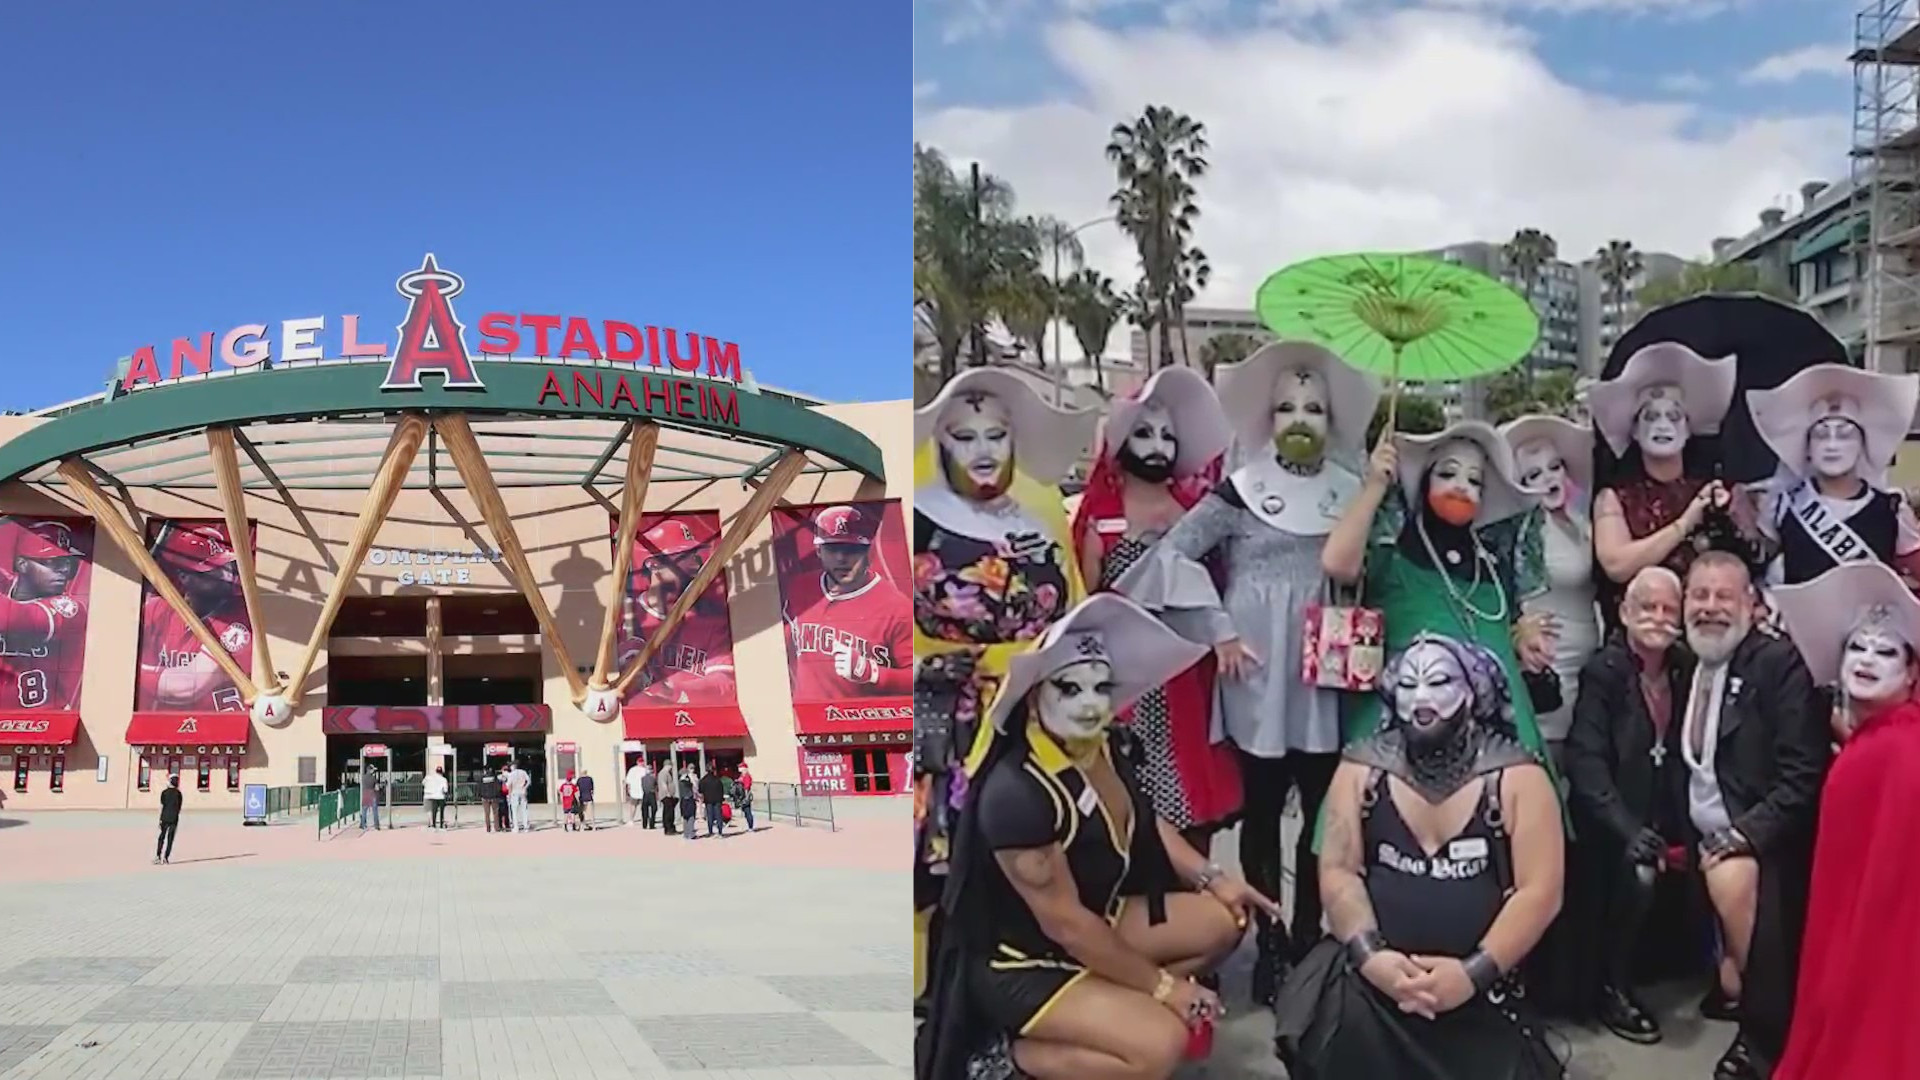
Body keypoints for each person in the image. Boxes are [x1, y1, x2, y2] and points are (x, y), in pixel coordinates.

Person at [1112, 345, 1376, 1001]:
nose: (1300, 417)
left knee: (1326, 812)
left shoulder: (1353, 487)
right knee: (1261, 815)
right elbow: (1173, 554)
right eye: (1287, 406)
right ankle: (1272, 945)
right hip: (1257, 669)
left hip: (1325, 666)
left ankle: (1316, 937)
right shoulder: (1242, 486)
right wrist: (1218, 629)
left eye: (1314, 408)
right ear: (1267, 416)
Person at [916, 594, 1270, 1080]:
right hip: (1022, 960)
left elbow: (1140, 817)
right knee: (1161, 1044)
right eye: (1070, 688)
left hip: (1097, 919)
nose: (1090, 704)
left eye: (1102, 688)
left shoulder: (1095, 745)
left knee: (1223, 919)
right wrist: (1164, 988)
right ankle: (1004, 1058)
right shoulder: (1017, 793)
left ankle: (1110, 1008)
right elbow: (1065, 925)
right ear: (1035, 693)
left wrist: (1211, 876)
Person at [1276, 633, 1564, 1079]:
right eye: (1408, 685)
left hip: (1483, 993)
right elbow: (1338, 870)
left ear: (1472, 692)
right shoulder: (1361, 769)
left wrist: (1472, 974)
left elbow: (1540, 892)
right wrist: (1371, 958)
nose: (1421, 698)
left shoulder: (1518, 778)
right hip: (1371, 988)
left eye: (1439, 682)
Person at [914, 369, 1095, 1004]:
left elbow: (1072, 608)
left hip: (1033, 718)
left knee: (1034, 866)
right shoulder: (909, 514)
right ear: (940, 440)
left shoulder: (1043, 506)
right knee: (942, 873)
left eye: (997, 434)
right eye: (966, 437)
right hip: (947, 729)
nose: (985, 450)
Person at [1072, 366, 1242, 847]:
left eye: (1168, 435)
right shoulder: (1101, 520)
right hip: (1127, 678)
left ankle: (1196, 892)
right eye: (1144, 433)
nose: (1157, 445)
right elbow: (1084, 603)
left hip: (1191, 675)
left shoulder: (1195, 512)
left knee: (1192, 795)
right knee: (1131, 789)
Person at [1676, 552, 1830, 1079]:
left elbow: (1803, 776)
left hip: (1766, 839)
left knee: (1729, 871)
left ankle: (1767, 1039)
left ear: (1752, 604)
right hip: (1695, 834)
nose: (1711, 608)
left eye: (1725, 596)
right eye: (1700, 595)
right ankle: (1738, 983)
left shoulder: (1777, 663)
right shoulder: (1685, 665)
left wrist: (1743, 835)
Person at [1322, 421, 1555, 758]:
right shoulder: (1393, 545)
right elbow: (1337, 564)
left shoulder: (1492, 561)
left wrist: (1525, 640)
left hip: (1495, 734)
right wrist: (1375, 485)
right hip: (1404, 724)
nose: (1461, 486)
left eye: (1474, 481)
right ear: (1425, 479)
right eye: (1448, 473)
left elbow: (1510, 627)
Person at [1771, 562, 1920, 1079]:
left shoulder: (1898, 749)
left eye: (1886, 652)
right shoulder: (1877, 740)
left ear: (1912, 673)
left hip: (1880, 946)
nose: (1867, 660)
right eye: (1858, 646)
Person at [1564, 566, 1693, 1044]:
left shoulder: (1684, 667)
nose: (1658, 619)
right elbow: (1586, 760)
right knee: (1639, 871)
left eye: (1668, 610)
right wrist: (1627, 828)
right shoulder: (1606, 671)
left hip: (1663, 811)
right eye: (1647, 608)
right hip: (1608, 820)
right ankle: (1610, 988)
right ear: (1624, 611)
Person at [1590, 343, 1764, 631]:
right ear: (1634, 430)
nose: (1662, 426)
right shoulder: (1613, 498)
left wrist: (1732, 517)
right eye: (1651, 416)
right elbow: (1616, 565)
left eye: (1673, 417)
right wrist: (1685, 523)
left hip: (1710, 632)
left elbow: (1753, 559)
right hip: (1645, 634)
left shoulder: (1716, 491)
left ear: (1688, 428)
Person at [1748, 363, 1920, 585]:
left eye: (1844, 435)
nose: (1832, 446)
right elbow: (1761, 570)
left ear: (1862, 444)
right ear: (1807, 447)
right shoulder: (1780, 505)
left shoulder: (1893, 510)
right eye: (1821, 435)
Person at [1501, 415, 1601, 767]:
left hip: (1588, 666)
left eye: (1554, 466)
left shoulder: (1578, 518)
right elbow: (1502, 590)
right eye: (1533, 475)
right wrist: (1517, 630)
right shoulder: (1523, 533)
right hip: (1551, 667)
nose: (1548, 479)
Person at [785, 504, 912, 698]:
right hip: (805, 720)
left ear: (868, 552)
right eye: (832, 548)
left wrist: (873, 673)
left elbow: (916, 678)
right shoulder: (799, 588)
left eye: (851, 549)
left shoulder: (897, 608)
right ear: (818, 551)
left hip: (863, 722)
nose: (841, 558)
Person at [615, 517, 737, 706]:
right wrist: (621, 667)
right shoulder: (623, 619)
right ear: (653, 565)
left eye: (694, 555)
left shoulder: (711, 619)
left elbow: (725, 684)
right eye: (683, 556)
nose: (695, 564)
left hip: (699, 724)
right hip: (638, 726)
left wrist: (670, 689)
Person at [137, 522, 253, 712]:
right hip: (165, 731)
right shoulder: (159, 610)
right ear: (183, 576)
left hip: (222, 730)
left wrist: (124, 670)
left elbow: (187, 686)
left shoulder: (240, 619)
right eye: (211, 570)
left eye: (226, 565)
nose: (226, 574)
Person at [0, 519, 89, 712]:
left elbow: (14, 618)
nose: (64, 569)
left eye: (67, 562)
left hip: (43, 720)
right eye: (52, 562)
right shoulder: (6, 587)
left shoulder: (69, 608)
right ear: (22, 564)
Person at [154, 773, 183, 865]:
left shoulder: (164, 793)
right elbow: (179, 808)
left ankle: (158, 856)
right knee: (170, 838)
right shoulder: (179, 794)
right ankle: (166, 857)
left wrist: (160, 819)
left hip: (165, 817)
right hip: (174, 818)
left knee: (161, 837)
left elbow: (162, 806)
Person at [699, 765, 726, 837]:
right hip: (717, 800)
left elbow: (700, 790)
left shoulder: (704, 780)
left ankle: (710, 831)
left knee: (710, 816)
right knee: (718, 816)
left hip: (708, 800)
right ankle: (720, 831)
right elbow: (721, 790)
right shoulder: (717, 780)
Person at [509, 761, 531, 833]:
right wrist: (525, 787)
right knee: (524, 809)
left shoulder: (511, 774)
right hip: (522, 792)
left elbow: (510, 785)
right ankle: (526, 827)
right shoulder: (523, 772)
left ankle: (516, 827)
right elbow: (529, 781)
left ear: (513, 766)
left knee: (514, 811)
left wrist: (509, 795)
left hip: (514, 792)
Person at [424, 765, 449, 830]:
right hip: (441, 797)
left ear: (436, 771)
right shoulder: (444, 779)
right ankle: (441, 825)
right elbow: (445, 790)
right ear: (442, 772)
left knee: (434, 811)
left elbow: (425, 783)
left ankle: (434, 825)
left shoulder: (432, 778)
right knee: (442, 811)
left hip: (434, 797)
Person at [480, 762, 502, 833]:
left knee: (487, 814)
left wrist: (482, 795)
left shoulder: (482, 778)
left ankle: (488, 828)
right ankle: (497, 828)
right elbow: (498, 787)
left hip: (485, 798)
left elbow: (480, 788)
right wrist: (497, 794)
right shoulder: (495, 777)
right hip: (494, 797)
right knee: (495, 813)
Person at [659, 761, 679, 834]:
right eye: (671, 766)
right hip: (666, 796)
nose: (671, 768)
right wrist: (667, 793)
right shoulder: (663, 773)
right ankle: (668, 829)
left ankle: (671, 827)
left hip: (669, 795)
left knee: (670, 812)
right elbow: (663, 783)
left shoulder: (667, 773)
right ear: (667, 765)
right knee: (668, 813)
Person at [679, 767, 698, 840]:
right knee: (691, 817)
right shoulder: (687, 782)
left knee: (685, 817)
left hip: (683, 801)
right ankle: (691, 833)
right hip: (689, 799)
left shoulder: (679, 782)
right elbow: (693, 788)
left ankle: (686, 833)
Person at [736, 763, 755, 831]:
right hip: (741, 795)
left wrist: (746, 798)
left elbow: (746, 787)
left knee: (747, 811)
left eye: (740, 767)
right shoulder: (742, 776)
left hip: (745, 796)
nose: (739, 769)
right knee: (745, 811)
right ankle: (748, 825)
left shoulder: (747, 776)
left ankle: (751, 826)